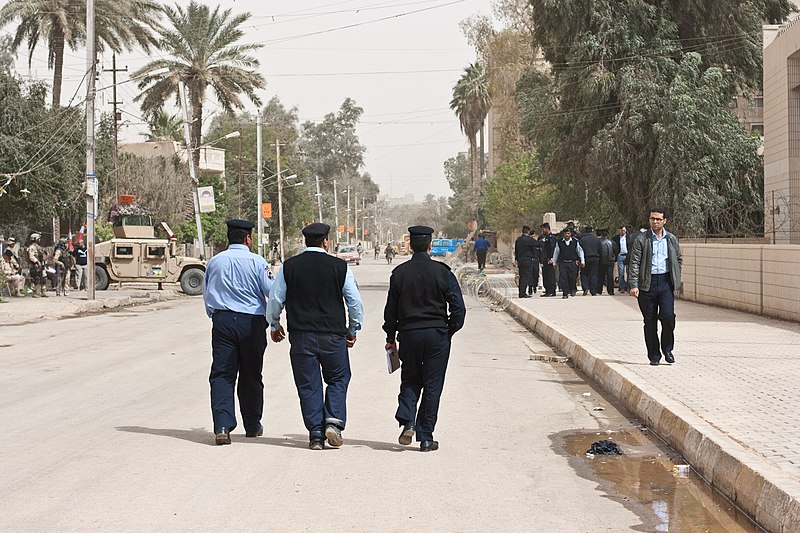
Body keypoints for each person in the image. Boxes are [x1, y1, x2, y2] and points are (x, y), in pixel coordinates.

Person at [268, 222, 364, 450]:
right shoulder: (339, 267)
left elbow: (275, 299)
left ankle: (315, 434)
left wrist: (274, 324)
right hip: (333, 336)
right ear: (326, 241)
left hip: (301, 337)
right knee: (338, 378)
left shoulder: (290, 267)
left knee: (308, 385)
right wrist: (353, 329)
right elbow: (354, 301)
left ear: (304, 241)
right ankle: (333, 421)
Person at [383, 225, 466, 452]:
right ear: (430, 245)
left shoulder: (399, 274)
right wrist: (448, 331)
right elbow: (458, 308)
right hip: (436, 335)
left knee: (410, 378)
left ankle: (408, 419)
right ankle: (426, 437)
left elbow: (390, 310)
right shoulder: (443, 272)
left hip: (409, 335)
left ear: (410, 245)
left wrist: (391, 336)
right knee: (433, 385)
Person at [202, 219, 274, 445]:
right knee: (251, 374)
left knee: (222, 373)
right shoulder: (258, 262)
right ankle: (252, 425)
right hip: (251, 322)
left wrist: (214, 314)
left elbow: (206, 292)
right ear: (248, 238)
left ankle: (222, 426)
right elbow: (272, 291)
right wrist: (274, 321)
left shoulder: (215, 262)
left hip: (223, 321)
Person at [629, 208, 682, 366]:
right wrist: (633, 285)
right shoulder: (642, 239)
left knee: (668, 317)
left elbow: (678, 259)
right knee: (650, 321)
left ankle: (667, 349)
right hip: (647, 284)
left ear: (664, 221)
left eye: (658, 219)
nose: (655, 221)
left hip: (666, 283)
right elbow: (635, 263)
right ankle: (654, 355)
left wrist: (676, 278)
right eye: (652, 219)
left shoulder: (671, 239)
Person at [550, 228, 585, 299]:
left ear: (570, 234)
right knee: (563, 278)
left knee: (572, 277)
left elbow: (580, 251)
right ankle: (565, 293)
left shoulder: (575, 241)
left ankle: (572, 289)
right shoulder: (559, 242)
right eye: (566, 233)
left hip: (572, 263)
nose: (567, 235)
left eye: (568, 233)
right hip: (563, 263)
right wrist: (554, 262)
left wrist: (582, 261)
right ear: (564, 234)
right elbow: (556, 252)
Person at [514, 226, 539, 298]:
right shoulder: (528, 239)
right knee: (525, 276)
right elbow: (537, 244)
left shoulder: (518, 239)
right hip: (527, 260)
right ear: (528, 232)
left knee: (521, 276)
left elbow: (516, 251)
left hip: (520, 260)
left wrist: (516, 260)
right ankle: (523, 293)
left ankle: (521, 292)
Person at [579, 226, 601, 296]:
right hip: (594, 257)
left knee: (584, 274)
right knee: (593, 274)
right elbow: (600, 249)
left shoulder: (582, 239)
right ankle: (593, 290)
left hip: (585, 258)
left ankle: (585, 288)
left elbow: (579, 250)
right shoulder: (596, 239)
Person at [537, 223, 558, 297]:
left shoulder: (551, 238)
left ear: (547, 228)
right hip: (545, 259)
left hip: (549, 259)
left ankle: (552, 291)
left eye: (543, 229)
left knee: (550, 275)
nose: (542, 231)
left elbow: (552, 248)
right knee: (545, 275)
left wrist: (551, 258)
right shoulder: (545, 238)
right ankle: (548, 290)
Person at [612, 226, 632, 293]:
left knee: (629, 272)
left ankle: (629, 287)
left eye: (624, 230)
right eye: (621, 230)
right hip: (620, 256)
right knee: (621, 272)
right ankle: (622, 287)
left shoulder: (629, 237)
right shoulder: (616, 238)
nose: (623, 232)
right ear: (619, 230)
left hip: (628, 256)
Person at [27, 233, 47, 298]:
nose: (39, 240)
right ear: (35, 239)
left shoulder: (38, 247)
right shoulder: (32, 247)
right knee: (36, 278)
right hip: (35, 265)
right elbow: (31, 256)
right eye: (38, 238)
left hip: (41, 265)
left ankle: (42, 291)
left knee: (43, 278)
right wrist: (37, 261)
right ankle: (36, 292)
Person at [598, 230, 615, 295]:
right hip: (610, 261)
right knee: (610, 276)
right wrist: (614, 258)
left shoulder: (599, 242)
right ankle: (611, 291)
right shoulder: (612, 242)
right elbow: (616, 251)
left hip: (601, 261)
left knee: (600, 276)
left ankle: (599, 290)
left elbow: (598, 251)